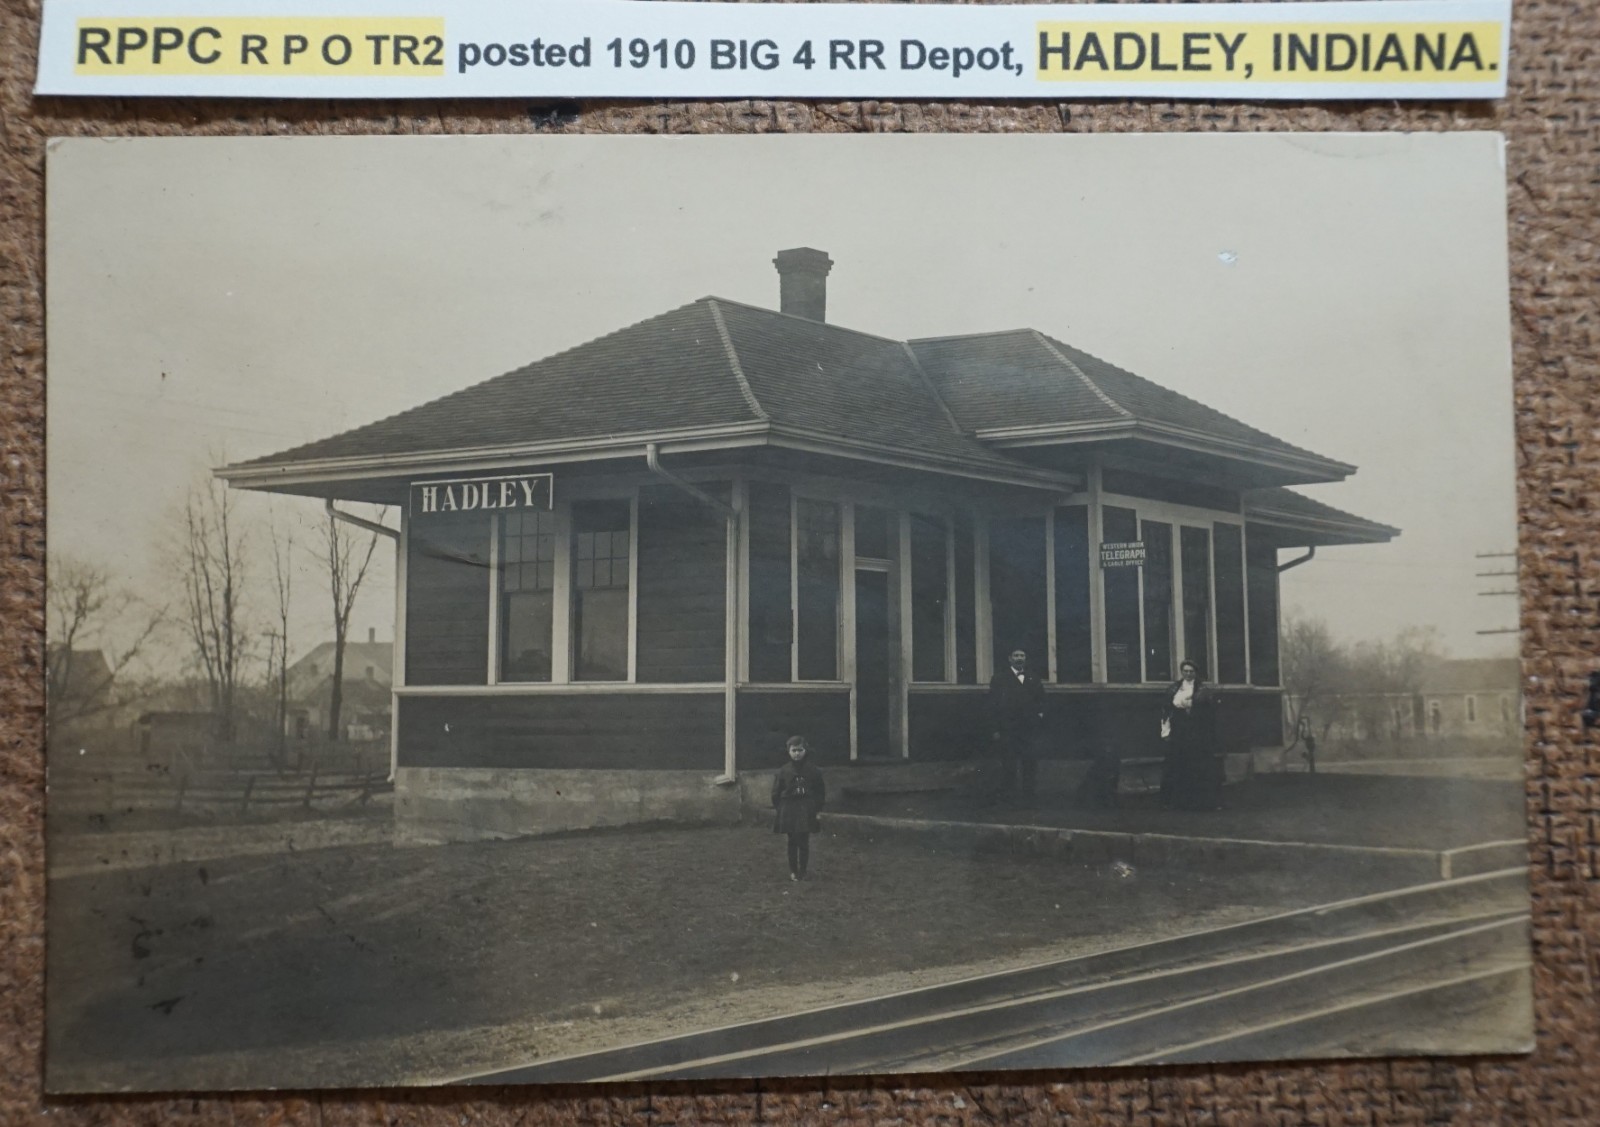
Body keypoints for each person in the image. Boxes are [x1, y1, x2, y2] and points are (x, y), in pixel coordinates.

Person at [1159, 659, 1223, 810]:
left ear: (1195, 673)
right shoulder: (1173, 689)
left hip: (1197, 732)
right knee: (1177, 764)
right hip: (1179, 731)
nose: (1188, 674)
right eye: (1185, 671)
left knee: (1198, 766)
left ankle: (1201, 803)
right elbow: (1166, 711)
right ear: (1181, 672)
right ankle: (1175, 802)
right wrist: (1165, 731)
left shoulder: (1202, 690)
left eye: (1191, 671)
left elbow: (1209, 715)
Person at [988, 647, 1047, 802]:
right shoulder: (999, 679)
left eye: (1022, 655)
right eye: (1016, 655)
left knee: (1030, 762)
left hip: (1028, 728)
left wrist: (1038, 716)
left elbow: (1041, 700)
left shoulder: (1033, 678)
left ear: (1025, 659)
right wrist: (995, 728)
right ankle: (1009, 796)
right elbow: (993, 705)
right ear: (1010, 659)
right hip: (1008, 728)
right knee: (1009, 762)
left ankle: (1029, 796)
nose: (1019, 658)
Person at [771, 734, 826, 881]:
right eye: (794, 750)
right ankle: (793, 870)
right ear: (788, 751)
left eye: (800, 750)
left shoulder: (813, 771)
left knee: (804, 840)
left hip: (806, 808)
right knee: (792, 840)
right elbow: (776, 792)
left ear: (805, 751)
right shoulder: (783, 771)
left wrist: (817, 809)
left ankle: (803, 870)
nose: (797, 753)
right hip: (789, 808)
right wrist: (781, 808)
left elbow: (820, 791)